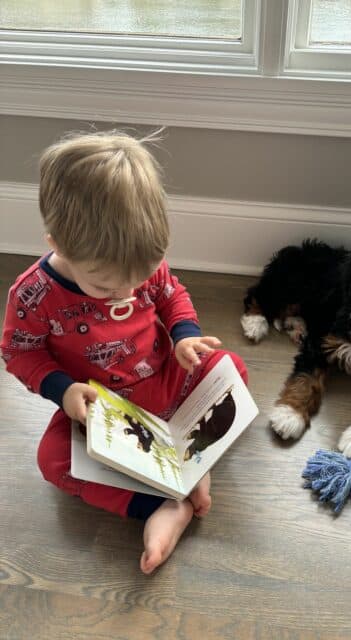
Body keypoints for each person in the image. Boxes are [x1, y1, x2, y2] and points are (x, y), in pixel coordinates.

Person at [0, 130, 247, 575]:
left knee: (230, 368)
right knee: (53, 460)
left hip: (163, 379)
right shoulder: (33, 295)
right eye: (108, 287)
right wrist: (63, 390)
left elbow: (172, 294)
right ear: (57, 244)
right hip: (103, 408)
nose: (130, 290)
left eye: (142, 275)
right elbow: (19, 353)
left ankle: (191, 460)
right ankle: (161, 502)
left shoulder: (134, 258)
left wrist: (185, 335)